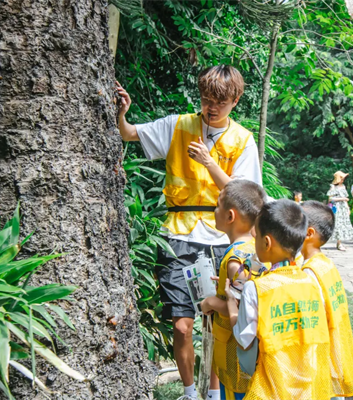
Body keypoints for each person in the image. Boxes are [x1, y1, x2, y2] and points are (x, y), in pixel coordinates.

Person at [116, 65, 261, 400]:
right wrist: (122, 114)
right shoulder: (178, 125)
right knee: (182, 324)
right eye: (207, 99)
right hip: (177, 236)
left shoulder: (243, 140)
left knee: (216, 323)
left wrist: (210, 163)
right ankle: (189, 392)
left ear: (235, 101)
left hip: (221, 239)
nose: (212, 107)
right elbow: (129, 134)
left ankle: (213, 393)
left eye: (220, 103)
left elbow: (244, 196)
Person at [226, 200, 331, 400]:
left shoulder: (255, 289)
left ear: (267, 242)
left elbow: (244, 340)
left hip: (271, 387)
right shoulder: (311, 281)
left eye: (256, 235)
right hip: (307, 385)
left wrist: (232, 304)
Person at [199, 180, 266, 400]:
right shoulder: (257, 250)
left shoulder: (235, 259)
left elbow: (242, 307)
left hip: (235, 354)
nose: (214, 210)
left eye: (217, 206)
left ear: (230, 216)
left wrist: (210, 303)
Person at [299, 201, 353, 399]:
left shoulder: (309, 272)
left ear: (308, 233)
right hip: (333, 357)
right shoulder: (326, 264)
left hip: (319, 363)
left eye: (293, 224)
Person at [327, 171, 353, 251]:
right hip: (337, 207)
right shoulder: (333, 187)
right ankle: (339, 243)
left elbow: (346, 200)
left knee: (343, 225)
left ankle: (340, 243)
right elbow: (330, 199)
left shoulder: (343, 186)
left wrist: (348, 208)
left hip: (343, 208)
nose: (343, 180)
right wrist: (342, 199)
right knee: (338, 225)